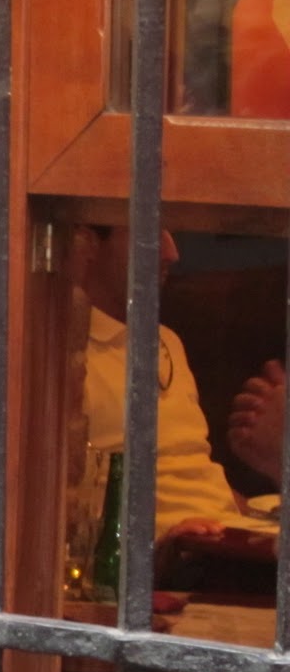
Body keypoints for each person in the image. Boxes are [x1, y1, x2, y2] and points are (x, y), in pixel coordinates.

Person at [69, 223, 270, 543]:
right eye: (152, 227)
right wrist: (160, 543)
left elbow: (190, 471)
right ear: (88, 244)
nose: (172, 253)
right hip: (160, 552)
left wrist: (265, 519)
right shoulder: (66, 350)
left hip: (218, 537)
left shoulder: (169, 340)